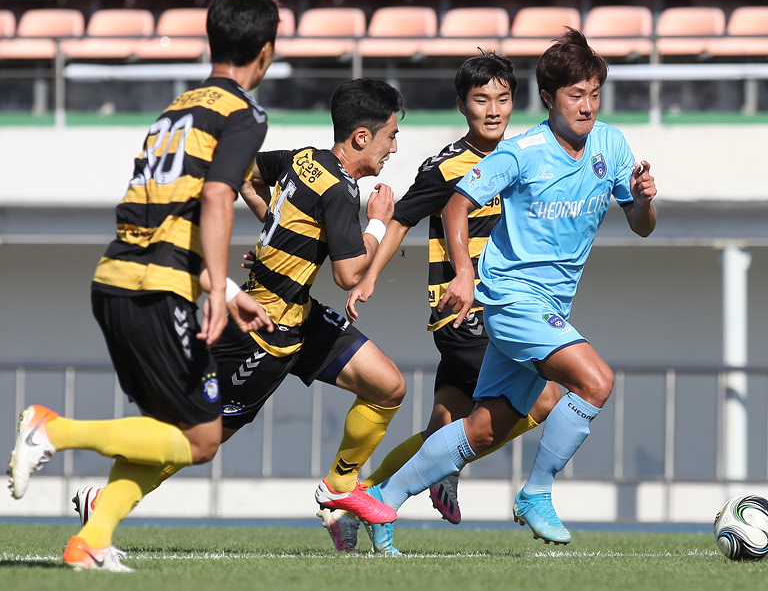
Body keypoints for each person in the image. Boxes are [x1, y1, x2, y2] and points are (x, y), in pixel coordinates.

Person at [7, 0, 280, 572]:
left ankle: (90, 540)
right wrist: (216, 286)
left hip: (116, 279)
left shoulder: (174, 110)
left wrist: (226, 289)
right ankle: (54, 430)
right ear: (266, 50)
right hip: (156, 291)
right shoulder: (243, 112)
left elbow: (167, 213)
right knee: (202, 439)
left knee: (163, 428)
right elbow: (217, 196)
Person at [71, 78, 410, 547]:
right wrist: (378, 221)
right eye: (391, 135)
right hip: (263, 332)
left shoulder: (303, 158)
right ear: (361, 136)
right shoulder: (340, 190)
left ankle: (338, 487)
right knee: (201, 436)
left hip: (301, 316)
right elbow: (349, 274)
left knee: (387, 386)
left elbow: (248, 177)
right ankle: (102, 498)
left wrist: (277, 239)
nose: (394, 147)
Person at [361, 29, 657, 554]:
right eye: (575, 95)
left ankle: (383, 498)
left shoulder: (611, 145)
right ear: (548, 98)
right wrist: (463, 273)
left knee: (482, 429)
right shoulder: (521, 153)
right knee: (595, 381)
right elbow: (456, 205)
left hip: (550, 305)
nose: (587, 106)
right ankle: (536, 493)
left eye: (594, 94)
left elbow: (641, 226)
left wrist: (643, 200)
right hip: (510, 299)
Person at [327, 53, 560, 551]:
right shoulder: (447, 165)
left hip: (502, 308)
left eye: (502, 99)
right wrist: (369, 278)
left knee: (445, 426)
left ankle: (358, 503)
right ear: (462, 105)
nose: (493, 110)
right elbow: (401, 219)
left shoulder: (521, 156)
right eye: (481, 100)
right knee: (546, 399)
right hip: (465, 314)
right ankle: (443, 469)